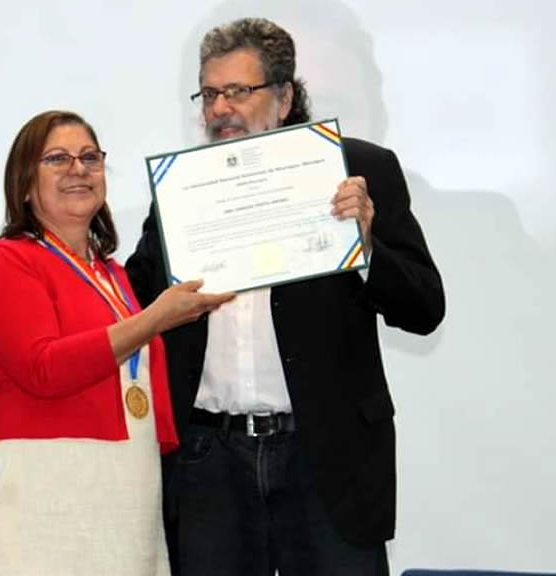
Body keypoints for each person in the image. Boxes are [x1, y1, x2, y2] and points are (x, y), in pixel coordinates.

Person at [125, 18, 445, 576]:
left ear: (285, 95)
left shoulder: (360, 170)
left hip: (324, 459)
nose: (220, 107)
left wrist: (367, 247)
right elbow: (138, 298)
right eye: (210, 92)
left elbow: (424, 308)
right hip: (209, 462)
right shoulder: (183, 189)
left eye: (238, 91)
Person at [0, 110, 234, 576]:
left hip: (126, 478)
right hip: (44, 481)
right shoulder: (5, 261)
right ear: (25, 184)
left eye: (90, 157)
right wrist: (152, 320)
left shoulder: (112, 275)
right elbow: (43, 368)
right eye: (58, 158)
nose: (79, 169)